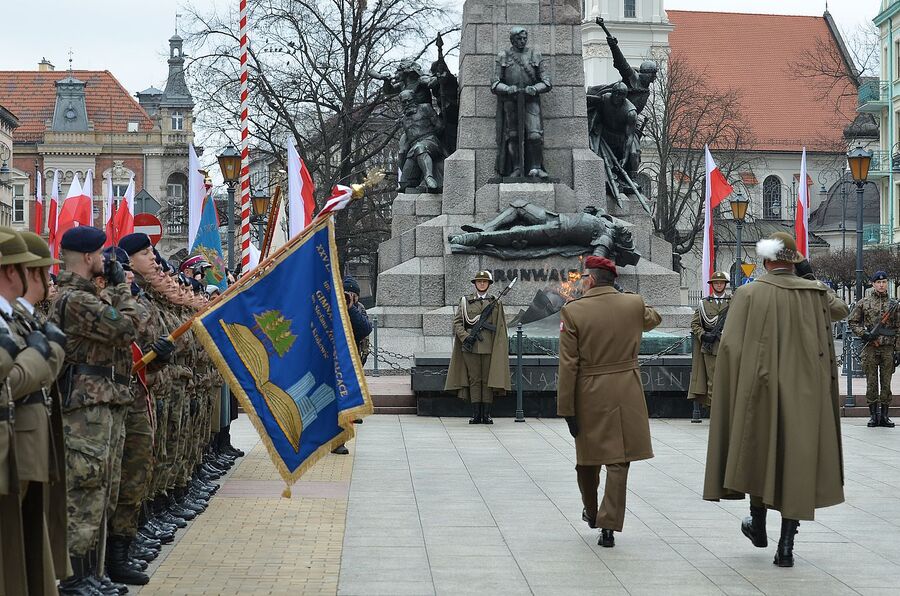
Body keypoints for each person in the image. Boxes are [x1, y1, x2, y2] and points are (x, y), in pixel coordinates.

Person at [703, 232, 848, 568]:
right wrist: (811, 278)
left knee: (758, 451)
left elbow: (729, 346)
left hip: (761, 388)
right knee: (795, 463)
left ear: (767, 261)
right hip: (805, 394)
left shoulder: (748, 292)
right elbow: (840, 310)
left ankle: (757, 524)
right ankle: (786, 547)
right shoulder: (814, 294)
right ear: (796, 261)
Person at [52, 226, 143, 595]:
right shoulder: (75, 299)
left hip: (100, 404)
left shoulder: (86, 295)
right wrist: (121, 288)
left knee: (101, 489)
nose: (107, 261)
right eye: (103, 255)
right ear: (89, 257)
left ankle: (93, 572)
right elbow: (126, 328)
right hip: (84, 409)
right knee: (85, 492)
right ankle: (74, 579)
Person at [557, 256, 660, 548]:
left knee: (587, 462)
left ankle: (592, 512)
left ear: (589, 280)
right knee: (619, 460)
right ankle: (608, 525)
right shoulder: (634, 304)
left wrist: (566, 409)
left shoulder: (573, 312)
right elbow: (654, 318)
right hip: (627, 389)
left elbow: (568, 365)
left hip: (590, 393)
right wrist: (627, 298)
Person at [0, 228, 68, 595]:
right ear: (16, 272)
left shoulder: (20, 317)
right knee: (13, 549)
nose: (41, 280)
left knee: (25, 546)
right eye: (35, 270)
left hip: (27, 439)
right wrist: (41, 355)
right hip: (16, 443)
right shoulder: (9, 319)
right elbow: (11, 380)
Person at [445, 271, 510, 424]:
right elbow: (458, 323)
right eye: (479, 281)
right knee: (474, 380)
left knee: (487, 380)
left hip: (488, 347)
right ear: (475, 284)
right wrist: (466, 337)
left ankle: (486, 414)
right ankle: (476, 414)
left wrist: (498, 346)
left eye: (484, 281)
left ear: (489, 284)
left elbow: (500, 326)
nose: (482, 284)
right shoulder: (465, 301)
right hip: (470, 347)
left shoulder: (495, 302)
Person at [492, 26, 551, 179]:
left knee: (535, 136)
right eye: (519, 38)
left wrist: (535, 89)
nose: (522, 41)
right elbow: (494, 83)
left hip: (530, 100)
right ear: (512, 39)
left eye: (524, 38)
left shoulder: (535, 54)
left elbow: (547, 82)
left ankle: (536, 167)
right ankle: (517, 167)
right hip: (511, 101)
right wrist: (507, 88)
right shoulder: (503, 55)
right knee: (513, 135)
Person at [848, 271, 898, 428]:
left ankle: (884, 416)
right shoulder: (864, 302)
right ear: (873, 284)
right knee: (871, 382)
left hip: (888, 348)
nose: (881, 285)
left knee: (886, 382)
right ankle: (873, 416)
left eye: (884, 282)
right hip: (870, 348)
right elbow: (853, 321)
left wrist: (898, 350)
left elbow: (898, 328)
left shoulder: (894, 304)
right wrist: (864, 334)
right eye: (878, 282)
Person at [331, 276, 372, 455]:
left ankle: (340, 441)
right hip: (330, 361)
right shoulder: (331, 306)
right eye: (346, 293)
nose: (348, 296)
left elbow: (365, 329)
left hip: (348, 362)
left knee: (344, 401)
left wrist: (351, 308)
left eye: (352, 294)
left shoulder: (358, 309)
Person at [687, 271, 731, 422]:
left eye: (721, 283)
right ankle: (715, 415)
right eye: (716, 283)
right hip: (711, 348)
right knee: (712, 383)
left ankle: (727, 413)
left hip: (729, 348)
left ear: (725, 285)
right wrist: (703, 335)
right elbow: (695, 323)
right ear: (712, 285)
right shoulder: (704, 303)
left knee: (729, 381)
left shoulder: (733, 302)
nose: (719, 285)